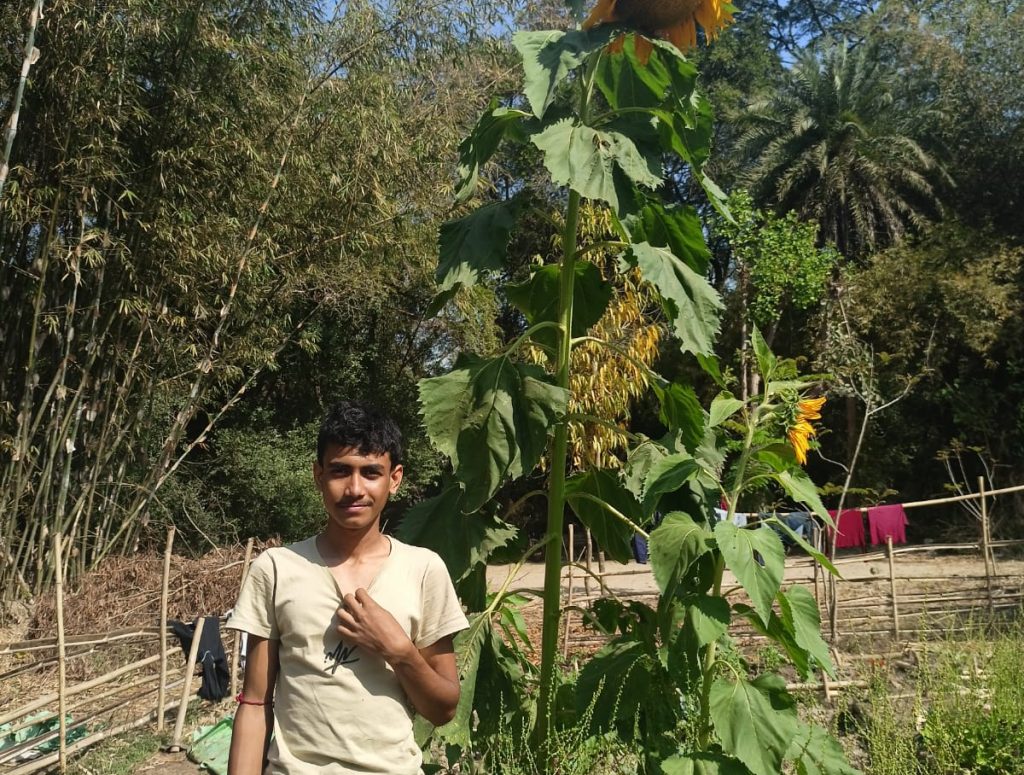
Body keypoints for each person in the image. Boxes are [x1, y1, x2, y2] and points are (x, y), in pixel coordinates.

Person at [226, 401, 469, 774]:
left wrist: (399, 650)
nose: (354, 489)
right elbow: (256, 703)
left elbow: (443, 709)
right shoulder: (276, 569)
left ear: (395, 478)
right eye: (340, 471)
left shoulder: (423, 570)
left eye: (371, 472)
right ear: (318, 475)